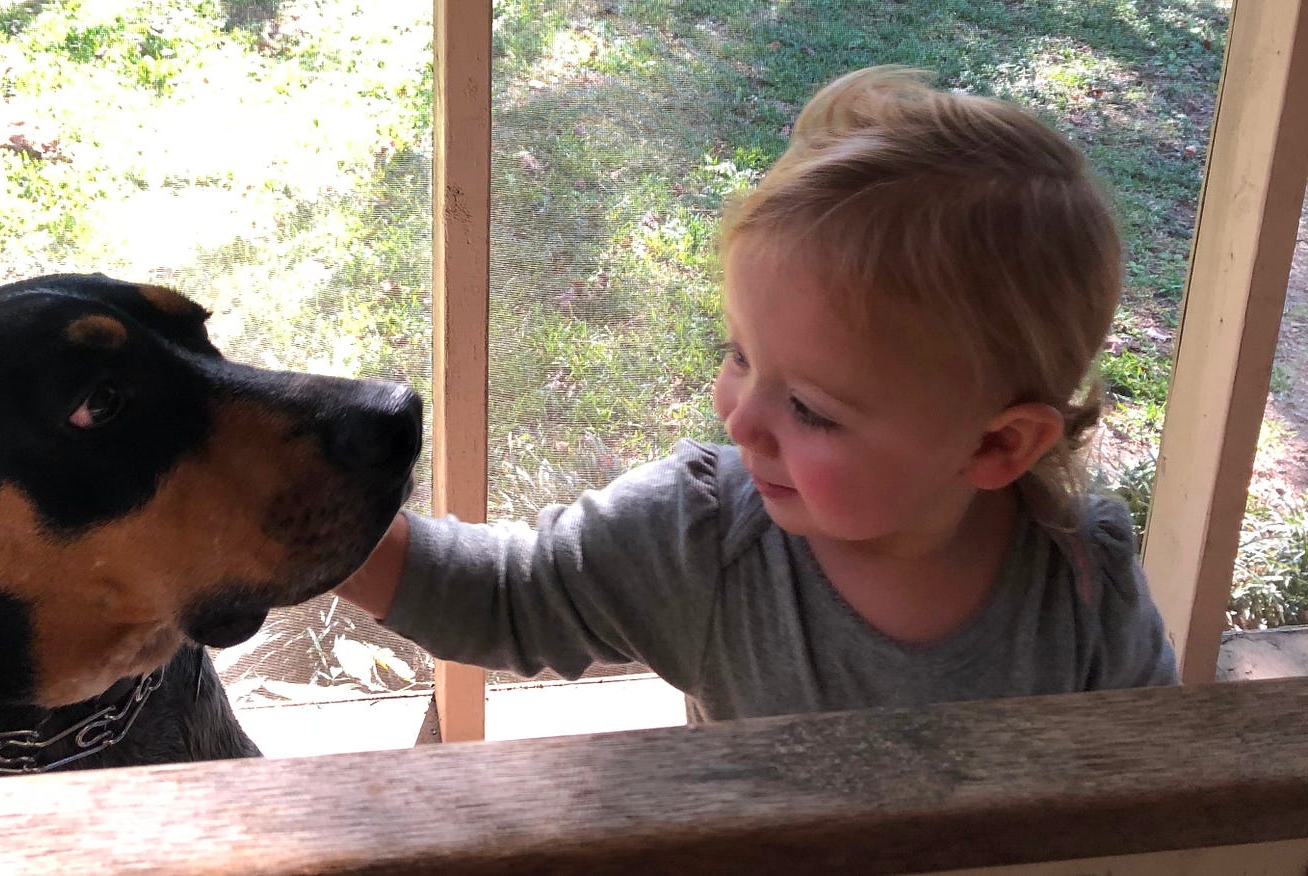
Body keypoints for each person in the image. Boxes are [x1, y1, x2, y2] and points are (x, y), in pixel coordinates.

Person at [338, 66, 1179, 724]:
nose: (738, 419)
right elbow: (509, 593)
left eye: (810, 409)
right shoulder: (702, 539)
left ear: (997, 444)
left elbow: (1152, 773)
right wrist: (309, 523)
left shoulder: (1084, 582)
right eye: (739, 355)